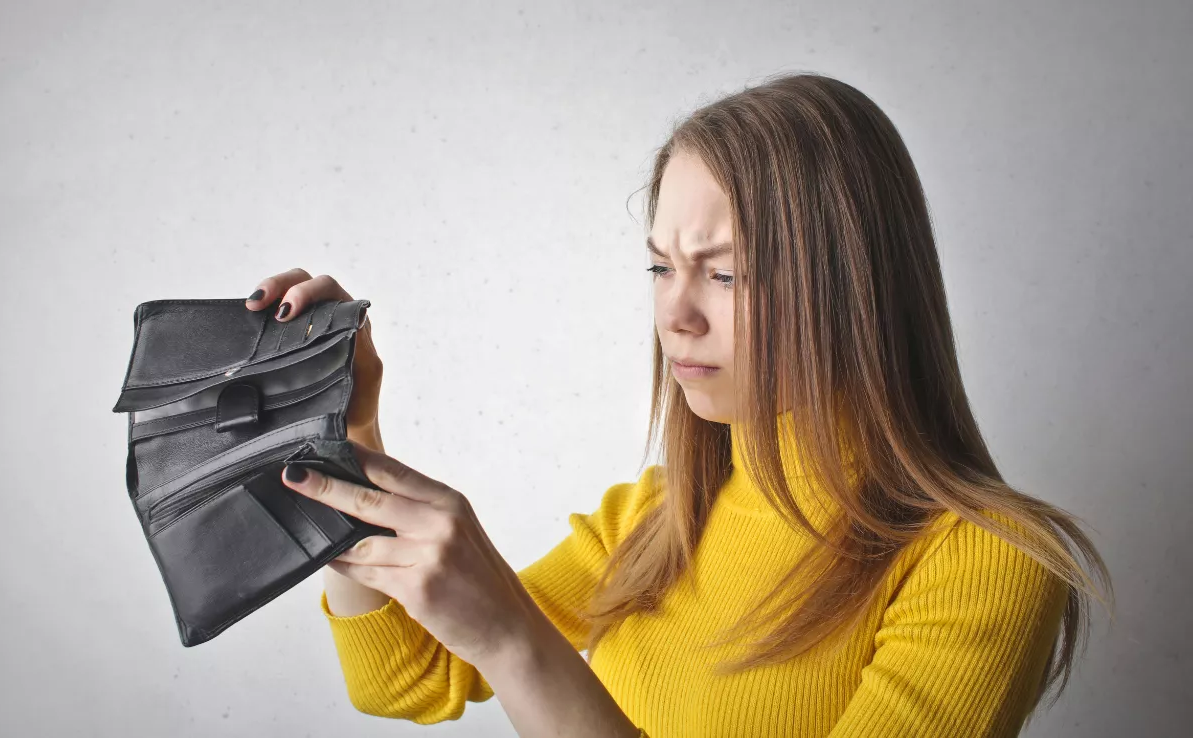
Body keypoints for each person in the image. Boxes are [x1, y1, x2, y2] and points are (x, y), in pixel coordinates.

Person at [243, 72, 1112, 737]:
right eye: (661, 267)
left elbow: (491, 649)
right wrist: (343, 433)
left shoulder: (989, 563)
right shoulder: (659, 517)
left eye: (725, 272)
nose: (674, 313)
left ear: (855, 291)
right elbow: (404, 678)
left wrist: (516, 640)